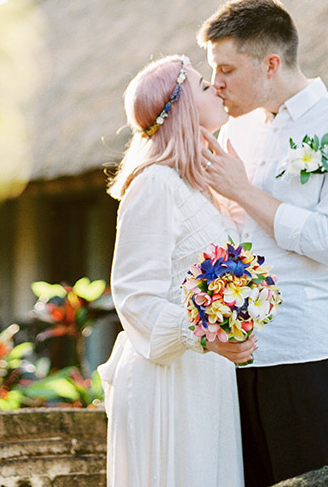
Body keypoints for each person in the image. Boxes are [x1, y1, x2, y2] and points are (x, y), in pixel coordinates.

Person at [196, 0, 328, 486]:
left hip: (308, 354)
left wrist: (242, 189)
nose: (216, 84)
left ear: (271, 63)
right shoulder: (235, 134)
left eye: (227, 69)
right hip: (236, 356)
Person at [97, 54, 255, 487]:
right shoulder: (154, 184)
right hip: (166, 378)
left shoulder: (196, 189)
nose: (217, 88)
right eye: (205, 86)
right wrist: (204, 336)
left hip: (205, 375)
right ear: (182, 105)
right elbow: (134, 297)